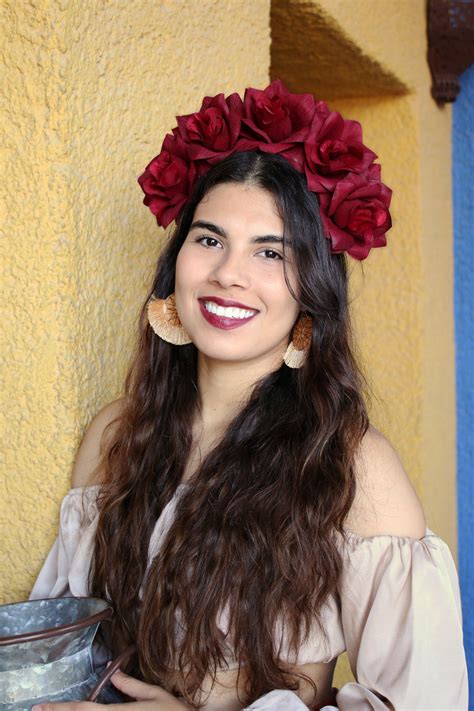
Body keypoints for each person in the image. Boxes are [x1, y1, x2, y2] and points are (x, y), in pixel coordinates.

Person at [30, 81, 468, 711]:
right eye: (209, 240)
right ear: (176, 263)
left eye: (271, 252)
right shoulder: (117, 433)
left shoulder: (351, 464)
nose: (228, 273)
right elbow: (64, 649)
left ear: (310, 288)